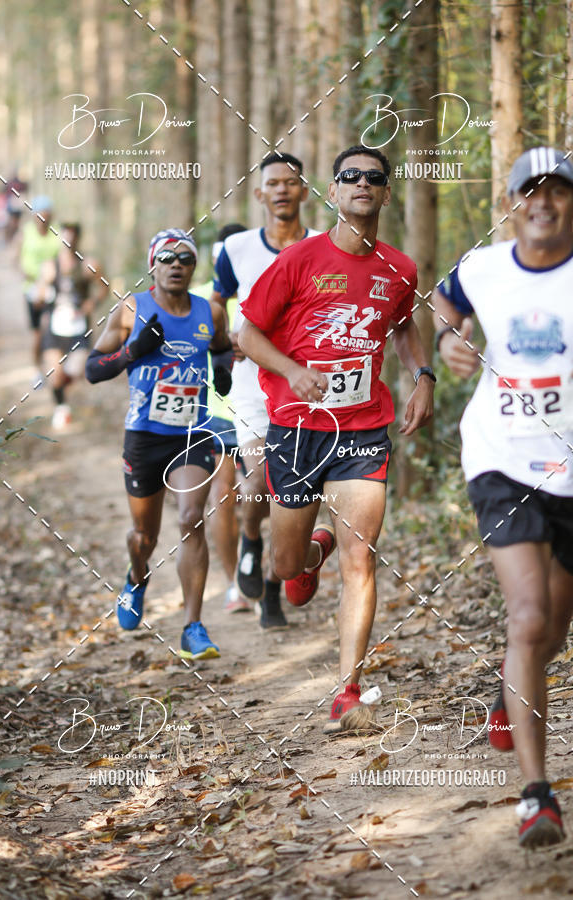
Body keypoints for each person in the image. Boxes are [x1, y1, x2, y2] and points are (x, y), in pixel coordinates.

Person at [238, 144, 435, 730]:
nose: (361, 185)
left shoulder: (399, 268)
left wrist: (420, 375)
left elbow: (402, 327)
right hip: (296, 429)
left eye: (373, 178)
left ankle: (347, 688)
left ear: (385, 192)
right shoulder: (299, 260)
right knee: (288, 568)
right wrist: (294, 370)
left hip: (363, 427)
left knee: (362, 559)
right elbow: (248, 335)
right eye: (349, 176)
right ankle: (309, 553)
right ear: (334, 189)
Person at [432, 146, 573, 849]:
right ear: (512, 203)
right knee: (528, 616)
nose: (543, 202)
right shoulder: (485, 267)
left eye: (557, 190)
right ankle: (536, 796)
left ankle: (509, 687)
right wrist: (451, 339)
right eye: (531, 191)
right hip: (503, 460)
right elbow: (444, 301)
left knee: (551, 633)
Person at [85, 228, 232, 660]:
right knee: (142, 537)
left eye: (185, 258)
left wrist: (221, 371)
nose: (176, 265)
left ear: (193, 268)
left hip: (193, 432)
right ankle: (136, 576)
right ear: (153, 265)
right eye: (166, 258)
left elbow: (222, 349)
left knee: (191, 518)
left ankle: (193, 627)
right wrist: (133, 352)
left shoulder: (211, 312)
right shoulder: (132, 309)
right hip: (145, 437)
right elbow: (93, 369)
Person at [212, 152, 319, 629]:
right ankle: (251, 541)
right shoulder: (235, 248)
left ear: (304, 191)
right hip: (254, 384)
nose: (281, 190)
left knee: (290, 493)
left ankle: (273, 591)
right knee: (258, 482)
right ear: (259, 195)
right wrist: (221, 345)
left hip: (309, 386)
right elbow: (216, 305)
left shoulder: (324, 245)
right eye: (272, 184)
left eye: (290, 183)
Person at [194, 224, 249, 612]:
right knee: (224, 498)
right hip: (216, 414)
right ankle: (236, 584)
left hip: (268, 411)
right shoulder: (196, 299)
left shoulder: (265, 292)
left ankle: (260, 567)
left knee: (267, 498)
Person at [37, 223, 107, 430]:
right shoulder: (50, 266)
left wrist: (91, 304)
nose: (68, 242)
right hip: (54, 325)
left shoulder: (88, 265)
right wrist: (43, 292)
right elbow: (39, 296)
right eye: (65, 237)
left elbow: (104, 287)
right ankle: (61, 407)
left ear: (78, 240)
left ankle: (63, 388)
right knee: (54, 371)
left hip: (78, 327)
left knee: (76, 370)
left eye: (72, 238)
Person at [17, 196, 61, 376]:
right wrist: (28, 274)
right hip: (31, 289)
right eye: (39, 215)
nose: (43, 219)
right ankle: (37, 369)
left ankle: (56, 369)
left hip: (53, 288)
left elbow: (63, 259)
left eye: (46, 215)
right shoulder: (26, 232)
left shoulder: (57, 233)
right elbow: (17, 256)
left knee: (49, 329)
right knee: (37, 334)